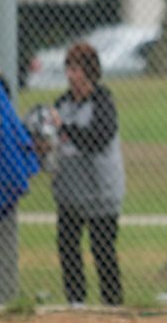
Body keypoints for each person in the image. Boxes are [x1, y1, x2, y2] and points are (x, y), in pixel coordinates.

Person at [50, 42, 126, 307]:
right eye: (68, 69)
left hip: (100, 192)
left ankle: (112, 304)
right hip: (70, 192)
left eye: (77, 69)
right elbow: (55, 140)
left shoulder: (103, 101)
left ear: (90, 72)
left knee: (103, 250)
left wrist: (66, 128)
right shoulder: (62, 103)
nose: (71, 76)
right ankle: (76, 303)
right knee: (68, 248)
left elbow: (98, 138)